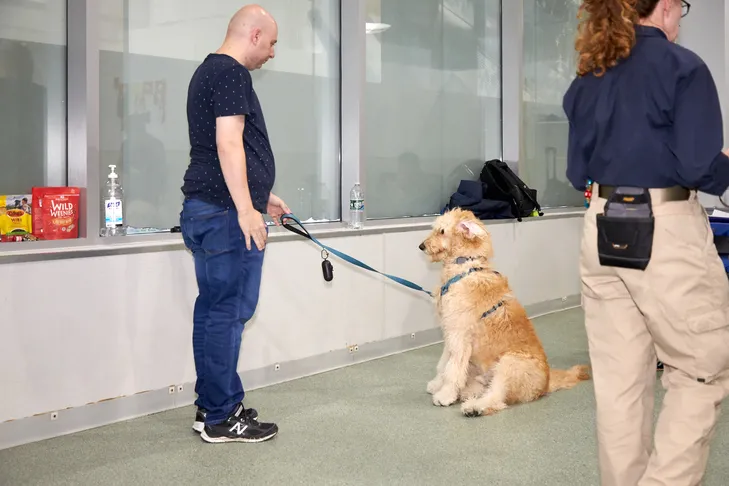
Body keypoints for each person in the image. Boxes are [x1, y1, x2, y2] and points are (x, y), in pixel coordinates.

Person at [564, 0, 729, 484]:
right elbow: (700, 167)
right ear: (661, 7)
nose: (681, 15)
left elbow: (578, 173)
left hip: (601, 228)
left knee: (619, 382)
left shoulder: (588, 76)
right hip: (665, 228)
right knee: (703, 369)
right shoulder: (684, 68)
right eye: (682, 6)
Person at [179, 4, 290, 444]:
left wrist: (261, 197)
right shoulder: (231, 73)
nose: (273, 53)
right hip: (226, 215)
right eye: (273, 43)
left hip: (208, 208)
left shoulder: (207, 71)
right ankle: (223, 416)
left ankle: (212, 407)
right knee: (228, 313)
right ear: (256, 34)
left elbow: (218, 147)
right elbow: (228, 143)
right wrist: (247, 209)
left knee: (213, 310)